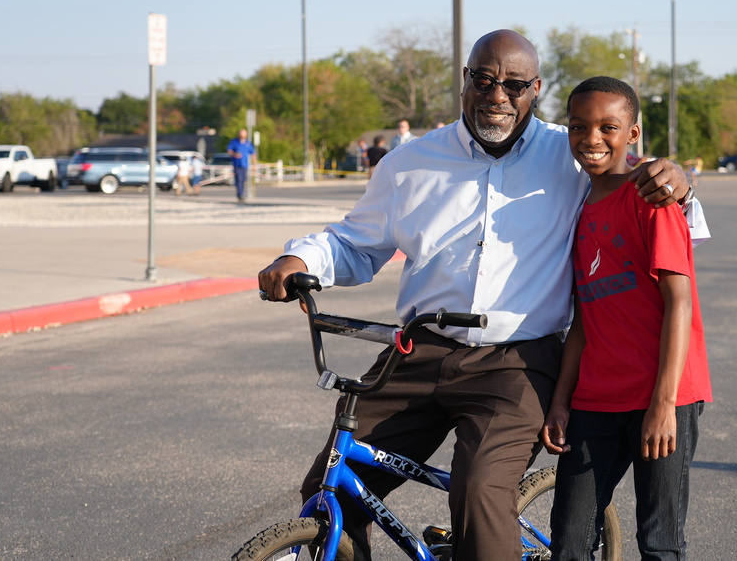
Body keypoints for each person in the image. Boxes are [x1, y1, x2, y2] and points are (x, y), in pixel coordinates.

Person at [257, 30, 706, 561]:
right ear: (465, 81)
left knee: (478, 495)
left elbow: (651, 199)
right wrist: (301, 260)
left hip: (517, 360)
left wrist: (678, 183)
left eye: (514, 84)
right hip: (419, 351)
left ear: (534, 89)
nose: (498, 96)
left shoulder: (572, 152)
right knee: (332, 486)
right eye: (485, 80)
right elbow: (356, 242)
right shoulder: (410, 164)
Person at [542, 76, 712, 561]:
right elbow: (583, 317)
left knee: (658, 542)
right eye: (579, 126)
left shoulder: (651, 200)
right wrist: (560, 401)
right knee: (570, 542)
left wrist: (663, 405)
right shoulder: (577, 209)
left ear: (632, 134)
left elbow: (680, 302)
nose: (591, 139)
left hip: (664, 394)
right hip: (596, 399)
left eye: (607, 127)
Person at [227, 129, 256, 202]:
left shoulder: (248, 144)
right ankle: (240, 194)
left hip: (245, 165)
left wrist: (254, 164)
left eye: (244, 133)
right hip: (237, 165)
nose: (242, 135)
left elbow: (253, 154)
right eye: (241, 133)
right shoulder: (234, 142)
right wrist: (234, 154)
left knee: (243, 180)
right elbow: (229, 151)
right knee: (239, 180)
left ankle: (241, 193)